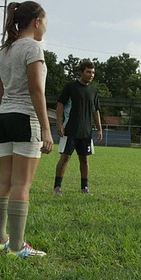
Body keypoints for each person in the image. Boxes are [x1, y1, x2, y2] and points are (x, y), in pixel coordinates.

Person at [0, 1, 54, 259]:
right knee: (22, 184)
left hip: (3, 117)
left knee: (5, 181)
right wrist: (47, 130)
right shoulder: (32, 47)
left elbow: (0, 90)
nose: (46, 28)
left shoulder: (5, 50)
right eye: (46, 22)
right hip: (25, 118)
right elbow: (36, 89)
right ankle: (17, 248)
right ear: (37, 21)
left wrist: (6, 108)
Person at [53, 60, 102, 196]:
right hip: (70, 130)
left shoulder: (93, 91)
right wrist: (59, 124)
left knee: (84, 159)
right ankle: (57, 187)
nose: (91, 75)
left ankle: (84, 187)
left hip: (86, 132)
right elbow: (60, 105)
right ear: (81, 72)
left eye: (93, 72)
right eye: (88, 72)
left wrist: (99, 129)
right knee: (65, 158)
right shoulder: (70, 87)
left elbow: (95, 111)